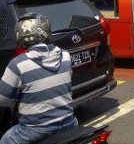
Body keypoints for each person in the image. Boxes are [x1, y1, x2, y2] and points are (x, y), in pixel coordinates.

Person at [0, 13, 78, 143]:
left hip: (35, 131)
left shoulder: (18, 64)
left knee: (6, 140)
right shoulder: (65, 55)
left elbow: (3, 101)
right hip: (69, 122)